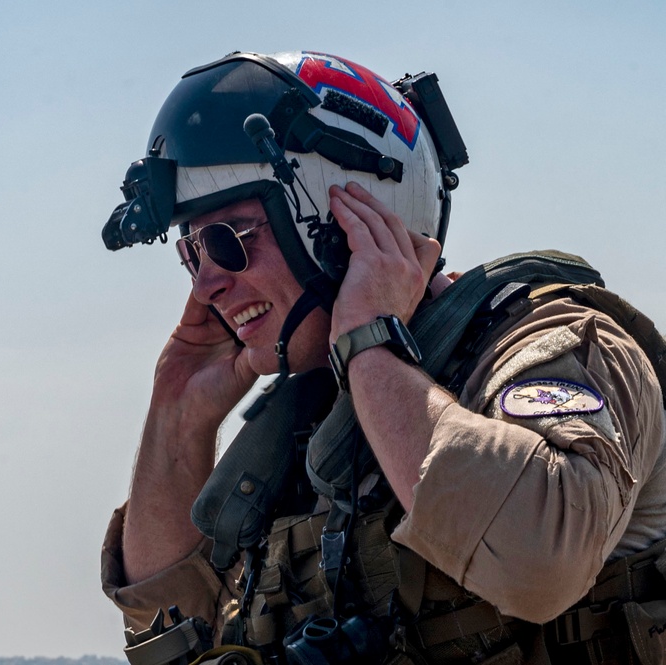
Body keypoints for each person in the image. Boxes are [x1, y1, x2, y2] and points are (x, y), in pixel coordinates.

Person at [99, 50, 666, 665]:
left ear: (343, 221)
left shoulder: (561, 347)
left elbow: (537, 560)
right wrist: (179, 411)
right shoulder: (307, 430)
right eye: (192, 254)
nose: (205, 286)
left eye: (228, 242)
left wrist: (369, 340)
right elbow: (169, 628)